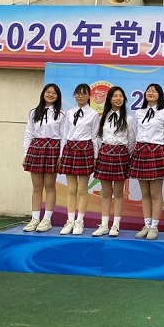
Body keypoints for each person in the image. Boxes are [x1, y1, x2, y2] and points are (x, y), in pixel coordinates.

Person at [129, 83, 164, 240]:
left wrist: (157, 150)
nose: (150, 93)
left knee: (156, 193)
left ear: (160, 95)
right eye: (148, 90)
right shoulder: (139, 112)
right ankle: (147, 225)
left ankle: (154, 226)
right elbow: (135, 133)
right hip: (141, 151)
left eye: (154, 91)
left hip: (156, 152)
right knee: (145, 193)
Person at [22, 83, 67, 233]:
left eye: (54, 93)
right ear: (43, 94)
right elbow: (28, 134)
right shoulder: (34, 112)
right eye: (48, 92)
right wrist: (26, 154)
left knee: (49, 185)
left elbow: (64, 137)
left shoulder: (61, 115)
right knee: (36, 186)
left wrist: (61, 155)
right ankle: (35, 219)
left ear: (58, 96)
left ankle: (47, 220)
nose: (50, 95)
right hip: (35, 149)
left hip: (53, 149)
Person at [92, 86, 136, 237]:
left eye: (121, 96)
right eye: (115, 96)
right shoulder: (102, 117)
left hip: (121, 154)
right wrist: (98, 155)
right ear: (109, 99)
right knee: (106, 193)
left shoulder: (129, 118)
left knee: (118, 193)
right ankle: (104, 225)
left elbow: (132, 140)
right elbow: (98, 138)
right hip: (104, 153)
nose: (118, 98)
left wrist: (125, 155)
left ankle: (115, 225)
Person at [59, 83, 100, 236]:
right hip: (70, 148)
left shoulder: (93, 114)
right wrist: (61, 154)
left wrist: (95, 156)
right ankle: (70, 220)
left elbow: (95, 136)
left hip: (85, 149)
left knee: (82, 189)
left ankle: (80, 221)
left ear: (89, 96)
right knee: (71, 189)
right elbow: (64, 134)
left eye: (84, 93)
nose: (80, 96)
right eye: (78, 93)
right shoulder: (69, 113)